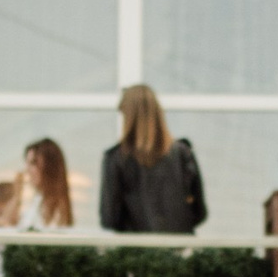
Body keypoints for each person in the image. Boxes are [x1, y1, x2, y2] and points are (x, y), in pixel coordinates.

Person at [98, 85, 205, 233]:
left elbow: (109, 218)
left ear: (128, 116)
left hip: (135, 245)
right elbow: (200, 212)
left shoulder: (116, 158)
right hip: (179, 243)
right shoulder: (182, 153)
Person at [20, 138, 75, 228]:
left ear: (49, 166)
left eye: (33, 163)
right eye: (27, 163)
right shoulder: (38, 200)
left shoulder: (57, 209)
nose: (27, 170)